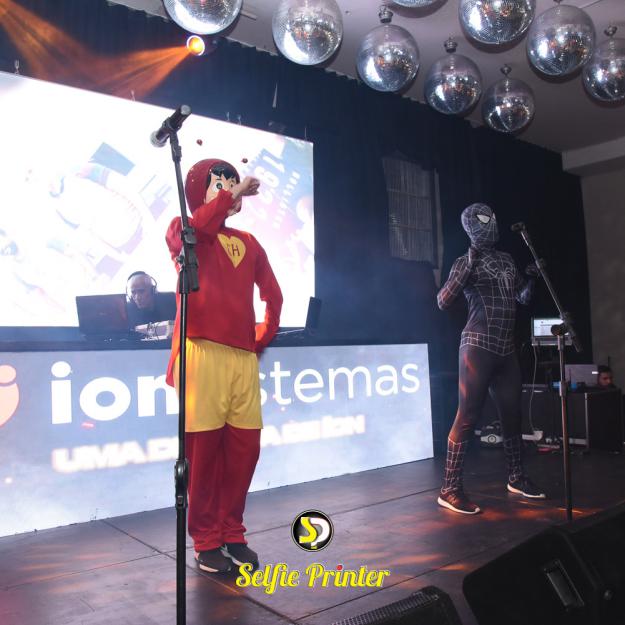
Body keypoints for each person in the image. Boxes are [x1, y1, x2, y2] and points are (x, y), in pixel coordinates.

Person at [165, 159, 282, 574]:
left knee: (243, 450)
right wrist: (228, 197)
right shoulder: (184, 229)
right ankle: (206, 540)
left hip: (241, 358)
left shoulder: (249, 241)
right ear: (200, 190)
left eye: (233, 183)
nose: (230, 189)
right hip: (201, 351)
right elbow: (197, 228)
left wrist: (259, 339)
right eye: (220, 183)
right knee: (204, 454)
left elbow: (273, 295)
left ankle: (232, 531)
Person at [436, 203, 545, 515]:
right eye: (484, 219)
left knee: (512, 416)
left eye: (492, 217)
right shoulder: (464, 261)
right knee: (467, 415)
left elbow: (522, 298)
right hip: (477, 346)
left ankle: (516, 477)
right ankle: (449, 489)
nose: (490, 223)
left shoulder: (507, 260)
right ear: (471, 224)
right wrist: (469, 263)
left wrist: (532, 277)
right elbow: (443, 300)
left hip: (506, 349)